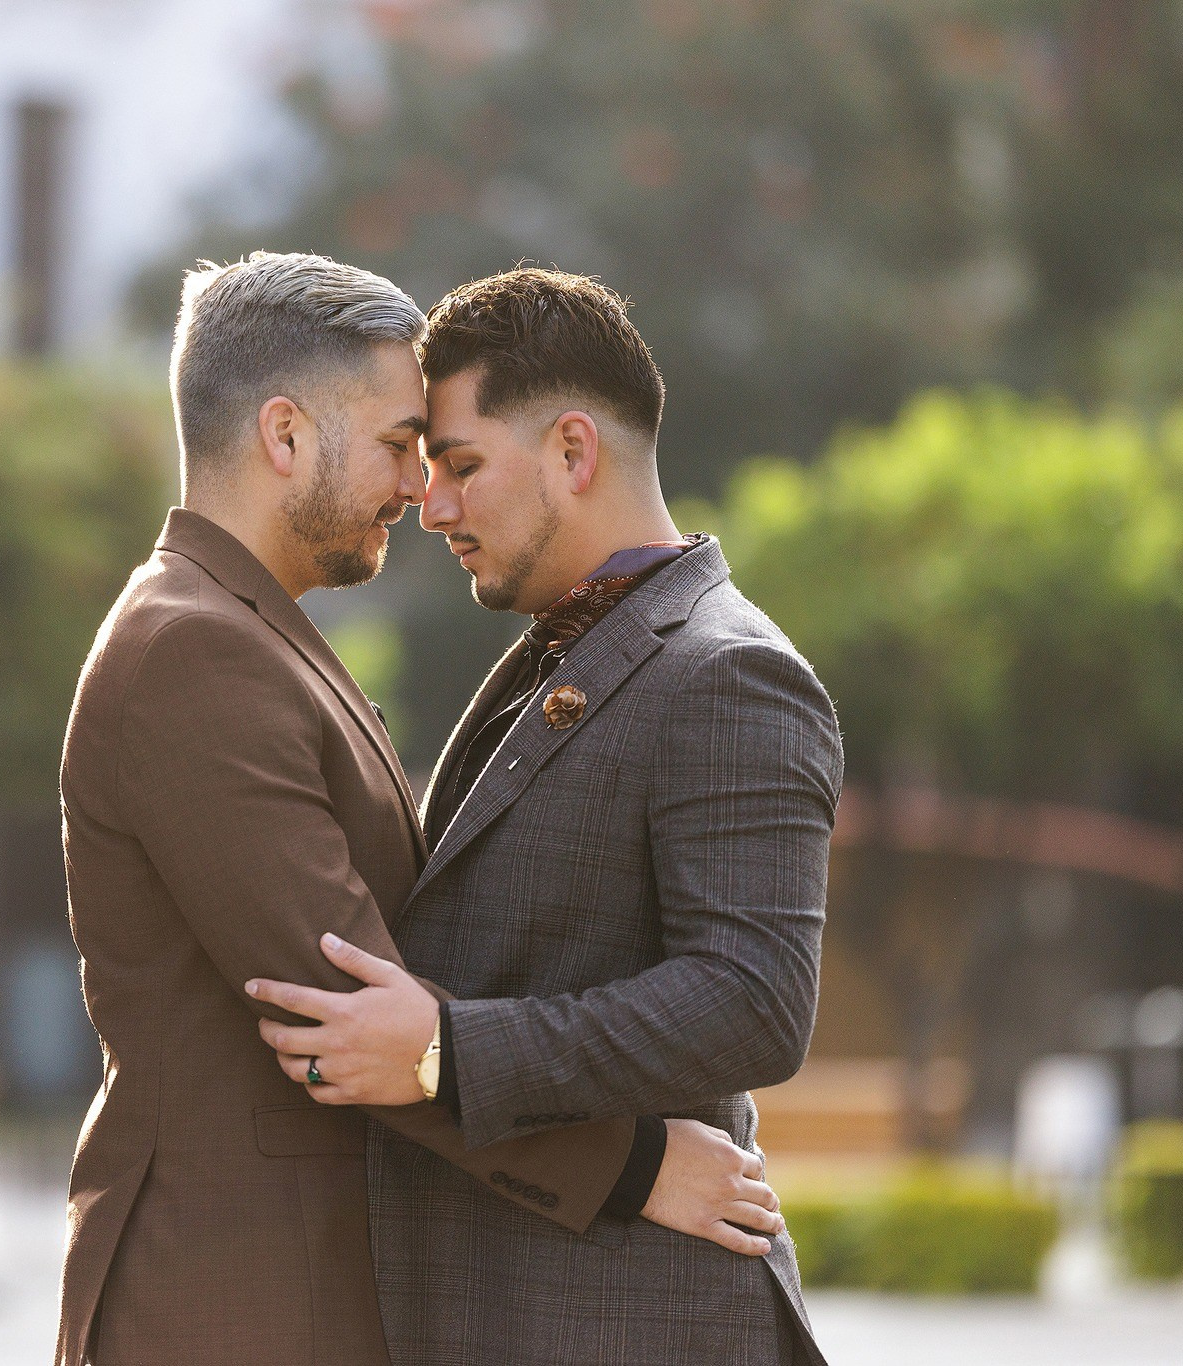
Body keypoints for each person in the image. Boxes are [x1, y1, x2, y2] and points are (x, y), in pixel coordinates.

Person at [55, 253, 784, 1366]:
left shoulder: (251, 632)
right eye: (401, 445)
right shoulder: (192, 649)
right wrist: (635, 1167)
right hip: (231, 1301)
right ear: (286, 436)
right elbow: (350, 1019)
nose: (418, 491)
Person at [247, 269, 841, 1364]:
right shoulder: (560, 652)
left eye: (461, 467)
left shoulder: (732, 673)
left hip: (636, 1324)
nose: (431, 508)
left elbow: (753, 1001)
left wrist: (446, 1053)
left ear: (572, 452)